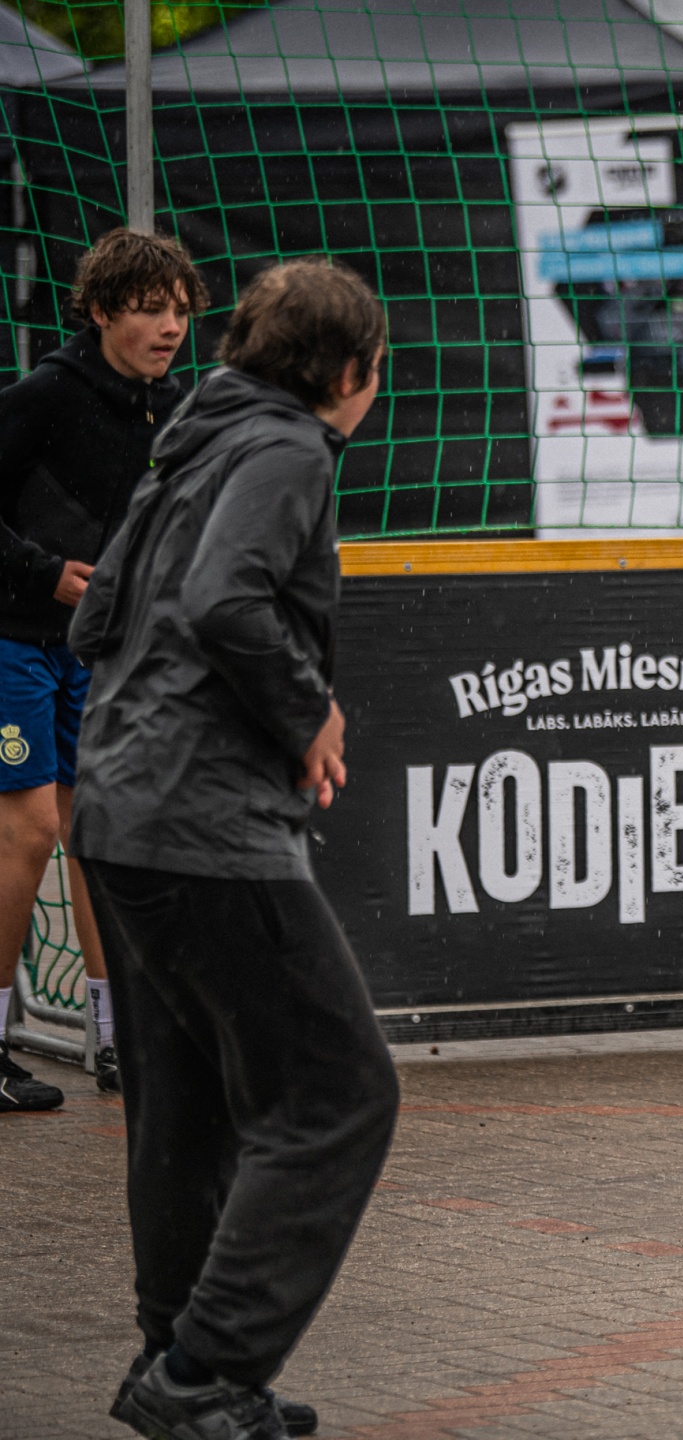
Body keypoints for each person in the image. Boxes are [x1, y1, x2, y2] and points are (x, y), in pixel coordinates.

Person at [73, 257, 397, 1440]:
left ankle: (178, 1357)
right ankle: (204, 1368)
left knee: (190, 1103)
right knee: (339, 1095)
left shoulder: (192, 440)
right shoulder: (285, 448)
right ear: (350, 371)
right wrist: (306, 711)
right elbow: (224, 600)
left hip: (120, 811)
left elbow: (95, 615)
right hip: (200, 823)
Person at [0, 230, 205, 1109]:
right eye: (150, 310)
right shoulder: (45, 394)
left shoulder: (176, 408)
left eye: (181, 312)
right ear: (97, 311)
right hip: (12, 639)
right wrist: (44, 572)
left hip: (98, 651)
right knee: (30, 833)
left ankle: (118, 1040)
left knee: (103, 833)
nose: (170, 327)